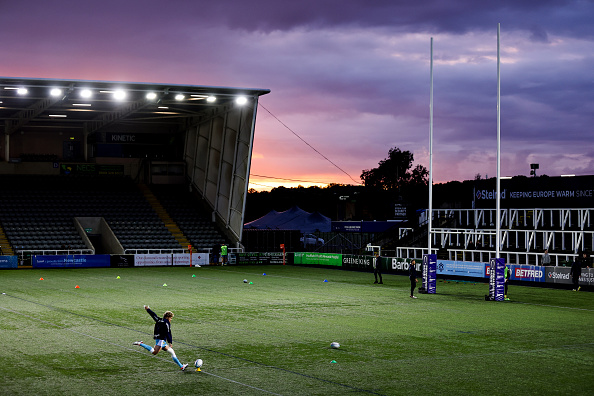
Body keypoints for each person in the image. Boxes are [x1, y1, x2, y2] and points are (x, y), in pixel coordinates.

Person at [133, 305, 188, 371]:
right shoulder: (166, 322)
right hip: (161, 340)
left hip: (159, 339)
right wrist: (170, 342)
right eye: (170, 318)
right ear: (167, 317)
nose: (171, 320)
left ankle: (182, 366)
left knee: (172, 351)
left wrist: (148, 309)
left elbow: (153, 315)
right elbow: (168, 332)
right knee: (154, 352)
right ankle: (140, 343)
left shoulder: (159, 320)